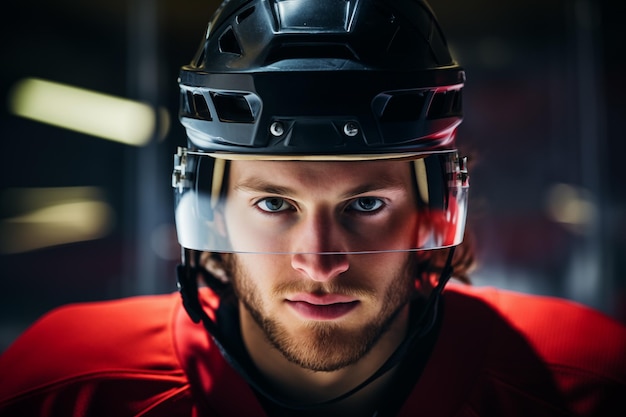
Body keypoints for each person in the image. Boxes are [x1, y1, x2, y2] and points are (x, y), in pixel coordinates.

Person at [1, 0, 625, 415]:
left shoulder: (589, 381)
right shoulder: (64, 387)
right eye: (275, 202)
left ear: (433, 213)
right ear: (212, 212)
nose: (320, 262)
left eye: (368, 203)